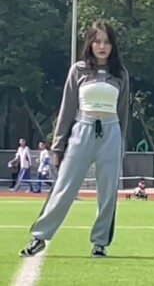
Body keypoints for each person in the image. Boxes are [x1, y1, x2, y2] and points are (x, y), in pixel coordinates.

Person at [20, 21, 130, 258]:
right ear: (90, 43)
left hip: (111, 134)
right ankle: (40, 237)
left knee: (108, 192)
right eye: (97, 41)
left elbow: (123, 114)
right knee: (64, 187)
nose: (102, 46)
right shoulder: (78, 70)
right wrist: (58, 145)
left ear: (113, 46)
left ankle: (100, 242)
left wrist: (122, 145)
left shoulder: (120, 74)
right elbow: (67, 109)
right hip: (82, 130)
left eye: (107, 42)